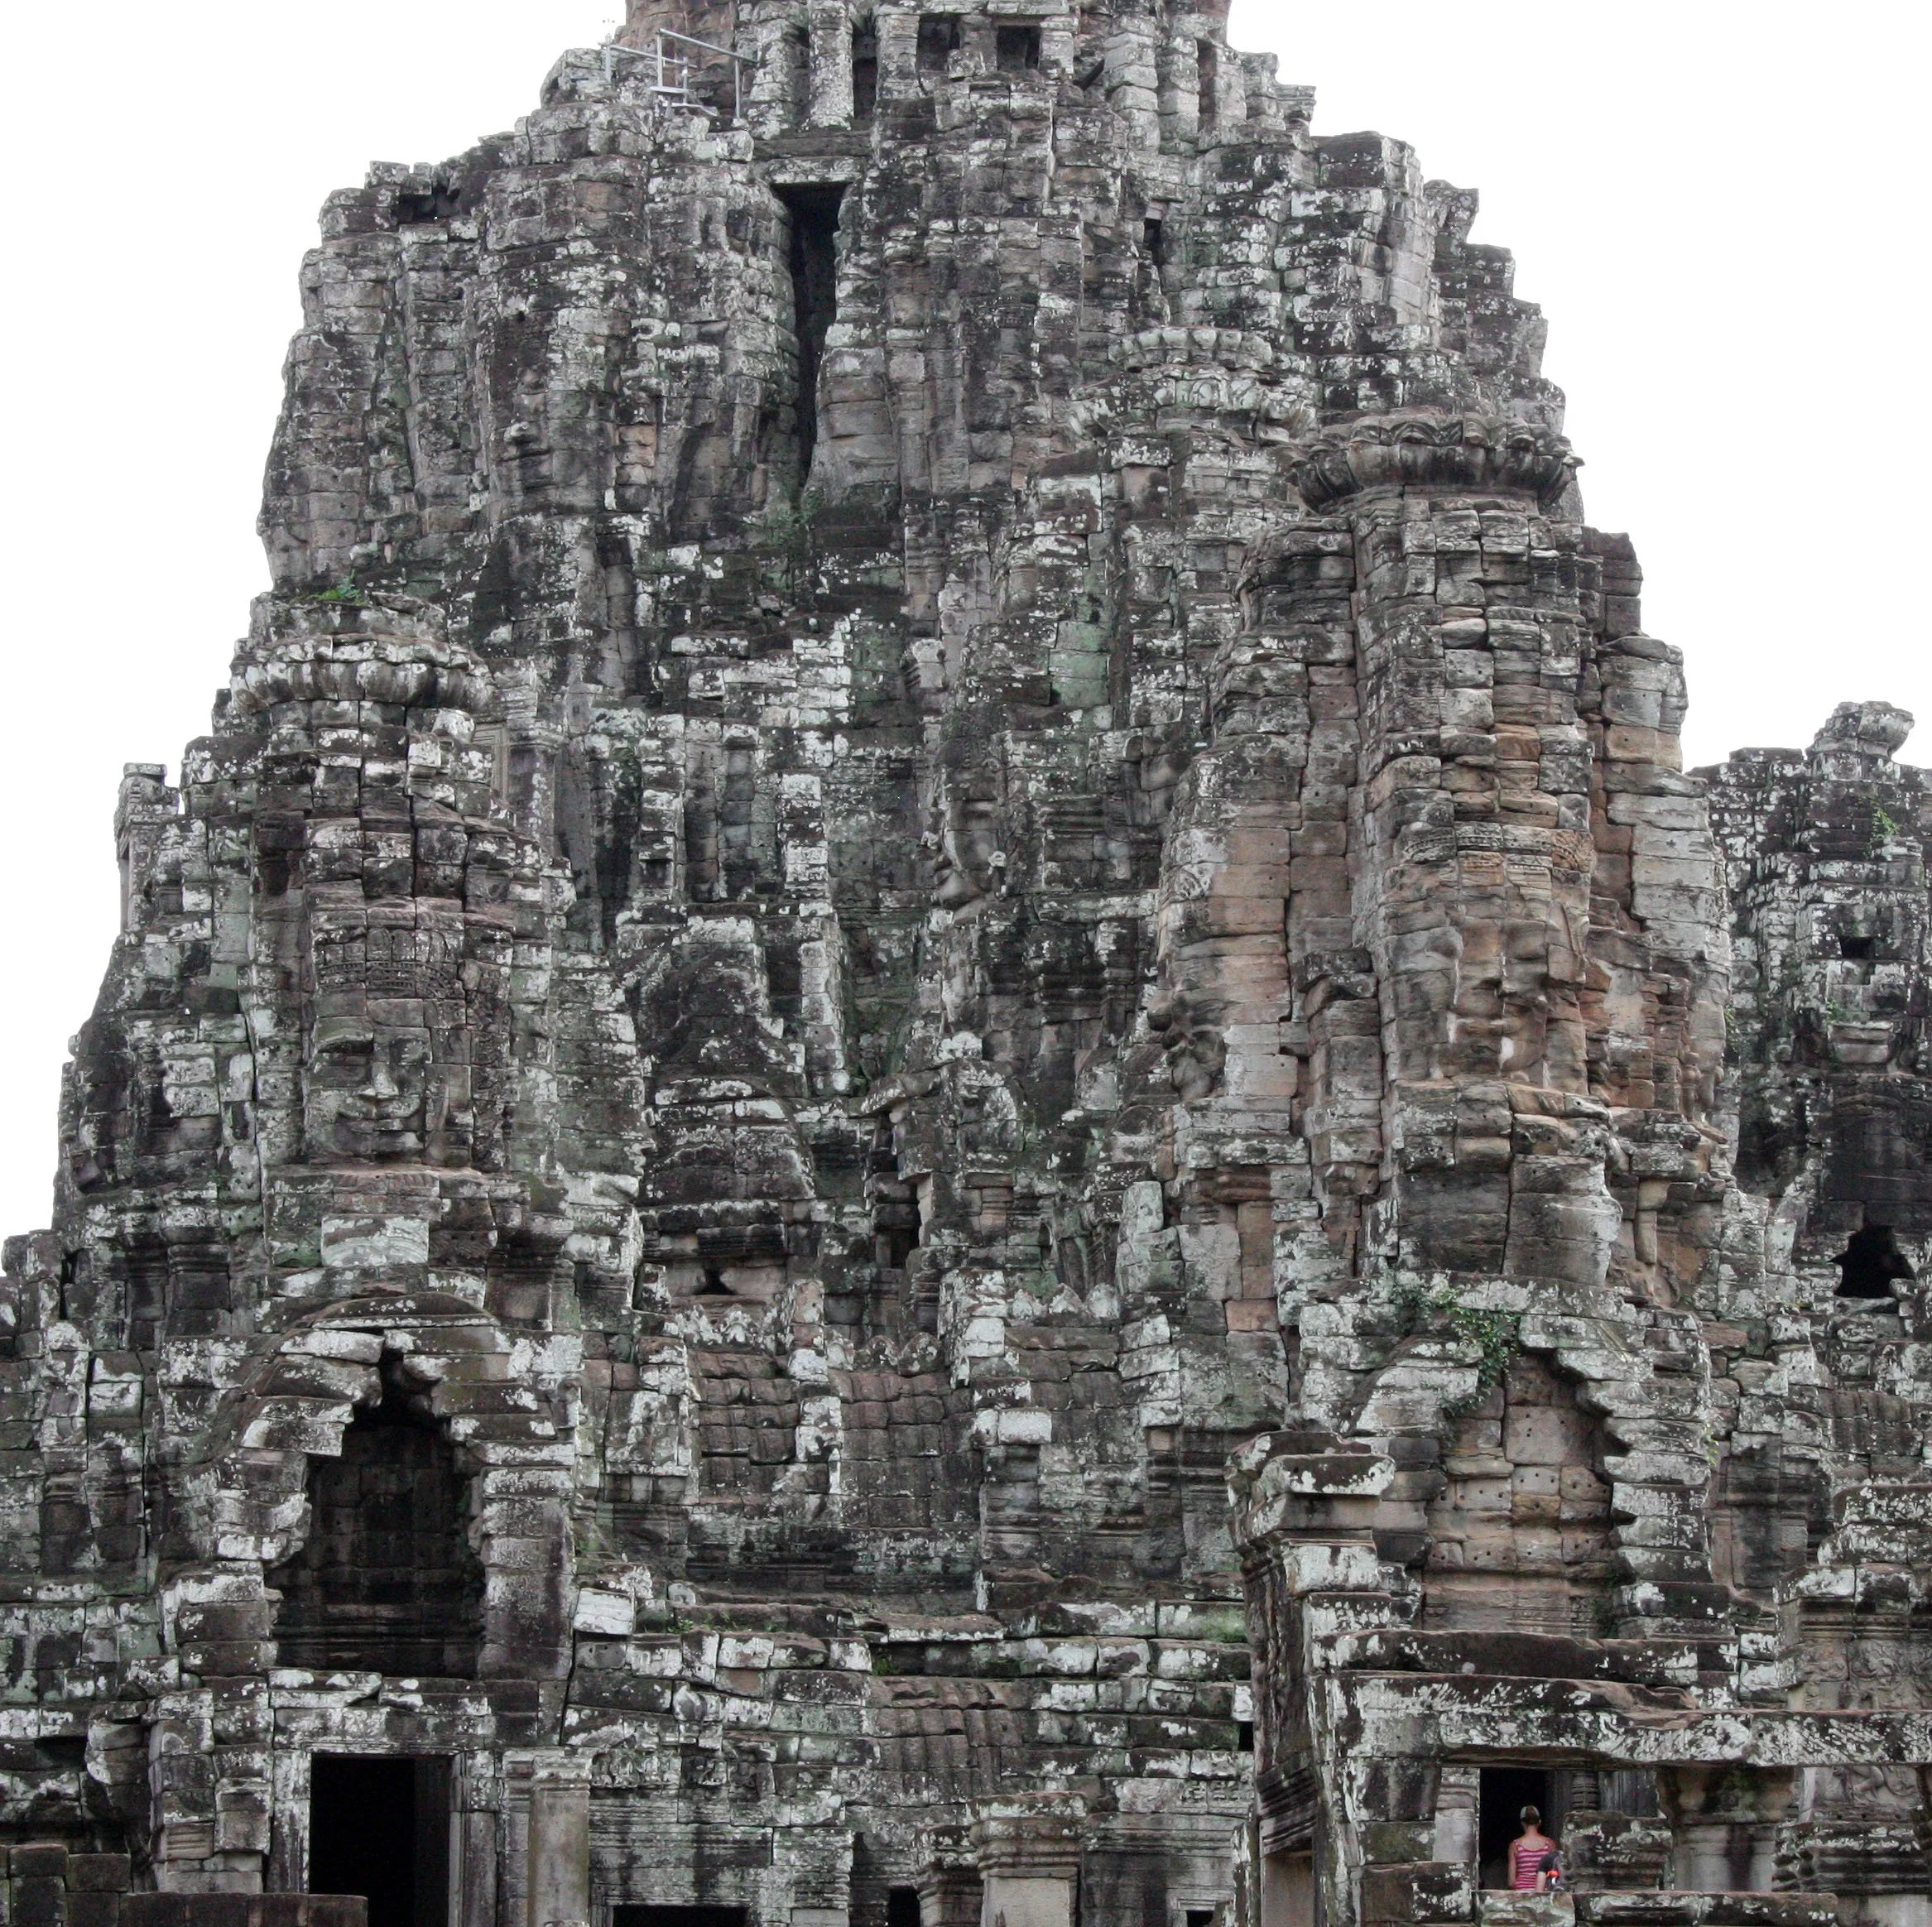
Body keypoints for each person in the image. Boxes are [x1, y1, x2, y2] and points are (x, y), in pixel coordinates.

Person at [1511, 1808, 1556, 1891]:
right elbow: (1554, 1874)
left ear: (1522, 1823)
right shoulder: (1549, 1844)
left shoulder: (1515, 1845)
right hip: (1544, 1892)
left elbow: (1511, 1881)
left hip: (1521, 1893)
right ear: (1539, 1822)